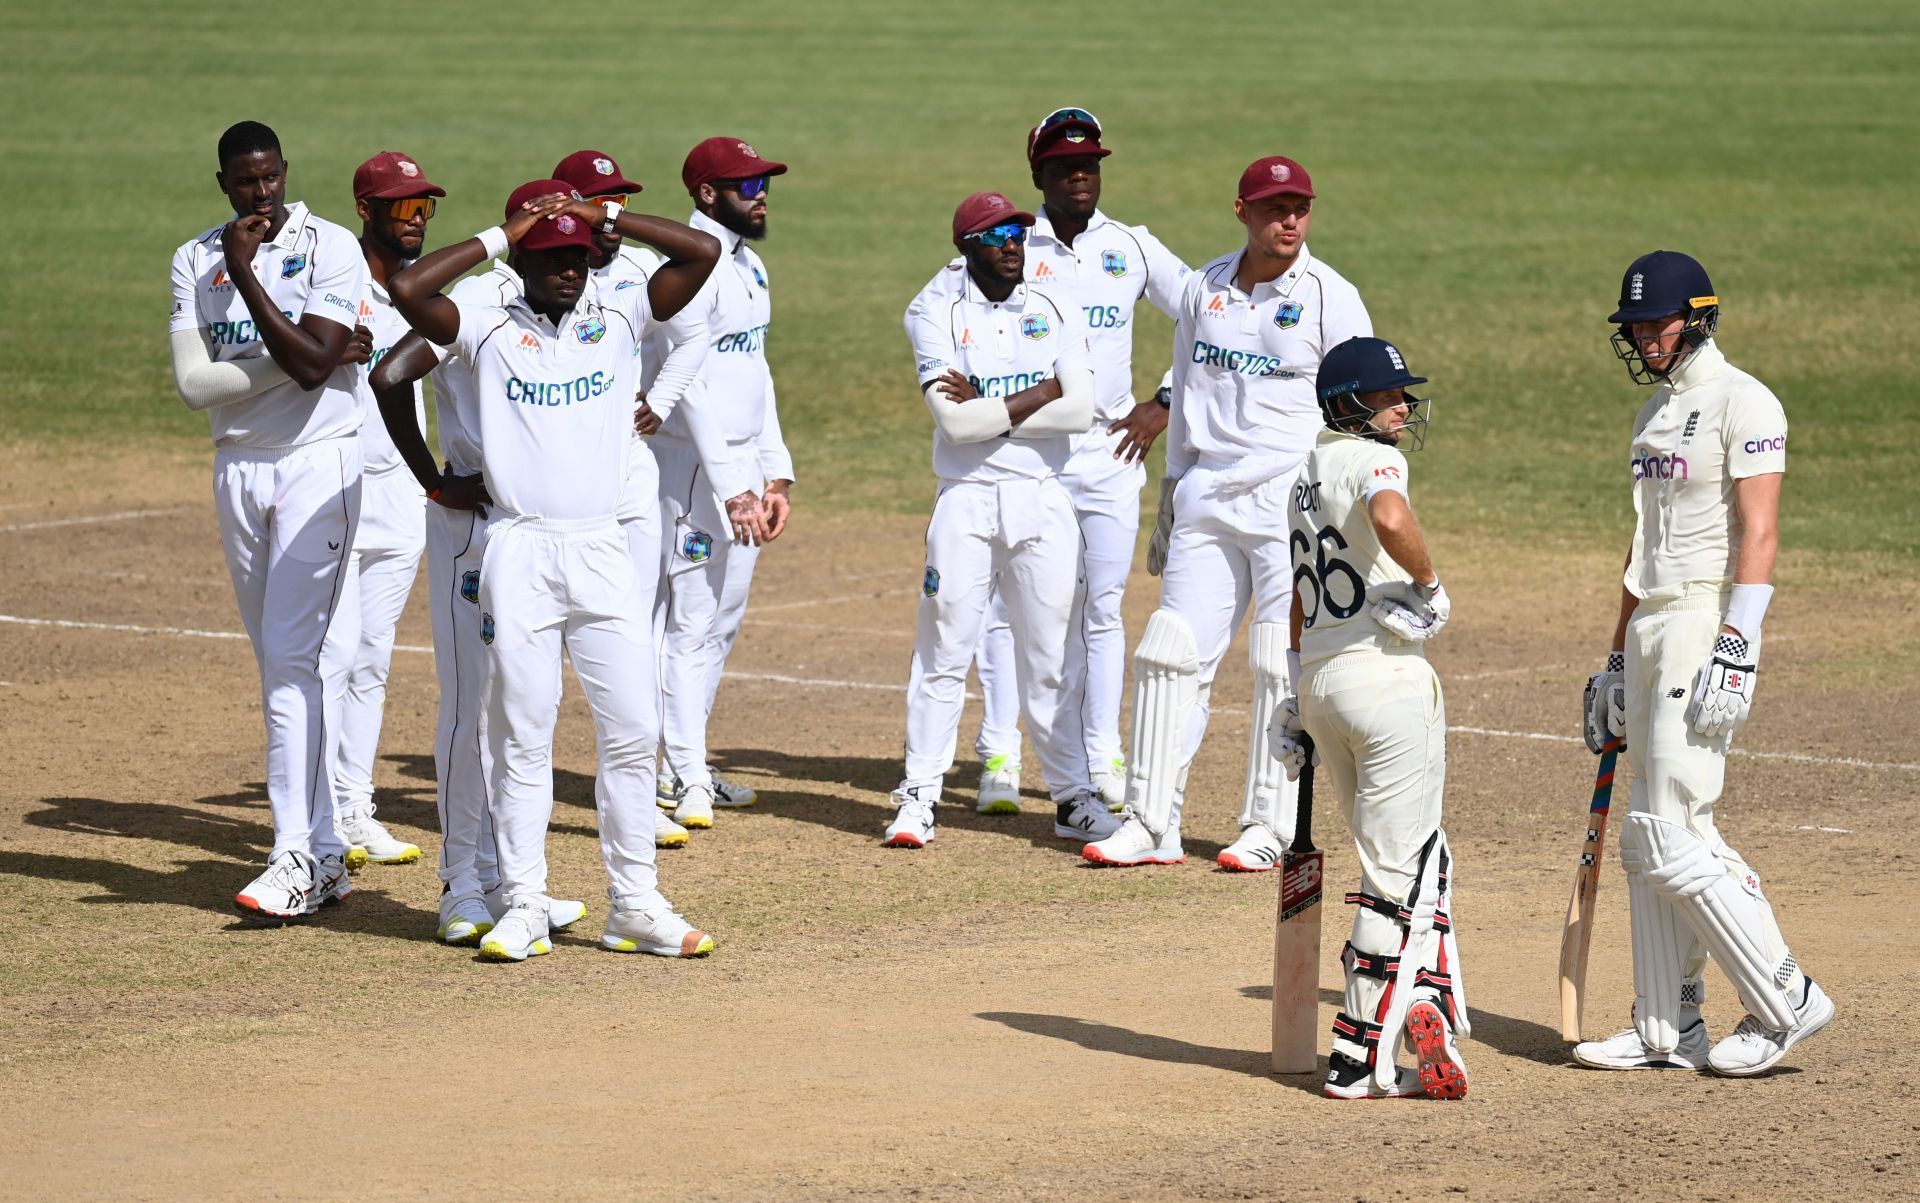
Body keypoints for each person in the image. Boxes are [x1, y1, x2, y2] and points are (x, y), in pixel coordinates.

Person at [386, 181, 720, 961]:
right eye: (552, 257)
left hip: (602, 548)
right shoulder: (486, 322)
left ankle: (634, 902)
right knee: (521, 734)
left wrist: (603, 218)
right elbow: (407, 290)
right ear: (525, 261)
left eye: (578, 256)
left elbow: (699, 252)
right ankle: (526, 902)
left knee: (635, 729)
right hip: (521, 549)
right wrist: (506, 236)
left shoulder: (620, 312)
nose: (570, 269)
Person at [1572, 251, 1833, 1076]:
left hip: (1698, 621)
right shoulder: (1653, 416)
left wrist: (1738, 640)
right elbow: (1639, 545)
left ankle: (1786, 996)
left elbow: (1760, 529)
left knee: (1673, 828)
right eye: (1636, 325)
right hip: (1649, 625)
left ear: (1699, 316)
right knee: (1646, 833)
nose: (1646, 336)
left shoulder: (1743, 399)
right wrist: (1614, 658)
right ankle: (1666, 1028)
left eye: (1659, 321)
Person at [1084, 156, 1370, 870]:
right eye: (1275, 208)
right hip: (1207, 494)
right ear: (1241, 209)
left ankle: (1267, 825)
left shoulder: (1332, 296)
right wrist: (1171, 494)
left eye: (1300, 206)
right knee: (1171, 653)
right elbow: (1182, 388)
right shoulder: (1205, 290)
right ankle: (1153, 823)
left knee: (1278, 661)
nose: (1290, 220)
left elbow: (1361, 407)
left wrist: (1344, 505)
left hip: (1289, 504)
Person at [168, 120, 372, 919]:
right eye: (246, 182)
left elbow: (319, 368)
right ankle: (324, 852)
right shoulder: (192, 258)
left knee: (293, 662)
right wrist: (290, 361)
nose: (262, 193)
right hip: (238, 469)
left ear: (286, 170)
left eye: (271, 177)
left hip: (320, 467)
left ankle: (294, 854)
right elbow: (195, 385)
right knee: (281, 665)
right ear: (223, 182)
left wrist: (249, 279)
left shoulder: (330, 247)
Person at [969, 106, 1188, 816]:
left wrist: (1164, 400)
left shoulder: (1132, 246)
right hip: (1029, 450)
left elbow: (1209, 312)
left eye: (1090, 163)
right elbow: (951, 317)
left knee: (1100, 606)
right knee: (1012, 603)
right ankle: (1000, 752)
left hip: (1110, 448)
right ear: (1037, 173)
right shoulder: (1006, 244)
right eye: (1065, 165)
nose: (1081, 175)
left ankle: (1103, 754)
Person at [1269, 336, 1469, 1100]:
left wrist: (1294, 693)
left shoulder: (1300, 479)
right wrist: (1429, 579)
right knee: (1397, 874)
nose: (1405, 407)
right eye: (1391, 396)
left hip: (1322, 680)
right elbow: (1391, 514)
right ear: (1351, 404)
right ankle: (1356, 1055)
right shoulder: (1372, 461)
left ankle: (1429, 1005)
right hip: (1384, 679)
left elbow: (1296, 589)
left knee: (1420, 860)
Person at [888, 191, 1119, 849]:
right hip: (965, 499)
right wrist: (1040, 391)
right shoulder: (933, 312)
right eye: (997, 236)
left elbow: (1080, 410)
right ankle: (919, 797)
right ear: (967, 247)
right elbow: (955, 427)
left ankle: (1073, 798)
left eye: (1019, 232)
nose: (1014, 244)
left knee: (1050, 657)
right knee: (943, 651)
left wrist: (999, 399)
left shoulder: (1052, 305)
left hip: (1042, 498)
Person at [550, 147, 720, 850]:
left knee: (631, 634)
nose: (614, 215)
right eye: (602, 201)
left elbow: (697, 330)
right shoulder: (544, 281)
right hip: (554, 493)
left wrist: (662, 398)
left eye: (619, 203)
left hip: (627, 480)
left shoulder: (637, 274)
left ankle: (641, 786)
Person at [650, 136, 797, 830]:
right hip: (690, 468)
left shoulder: (753, 265)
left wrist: (776, 470)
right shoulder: (684, 266)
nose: (761, 194)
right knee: (686, 623)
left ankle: (684, 761)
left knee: (721, 624)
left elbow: (754, 372)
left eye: (763, 183)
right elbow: (694, 388)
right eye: (746, 185)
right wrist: (733, 483)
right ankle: (678, 773)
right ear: (706, 194)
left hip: (740, 466)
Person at [328, 151, 442, 870]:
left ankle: (354, 808)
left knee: (371, 659)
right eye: (404, 208)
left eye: (426, 209)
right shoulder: (335, 283)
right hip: (338, 488)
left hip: (403, 494)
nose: (418, 221)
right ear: (366, 210)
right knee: (330, 657)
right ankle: (317, 813)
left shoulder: (421, 292)